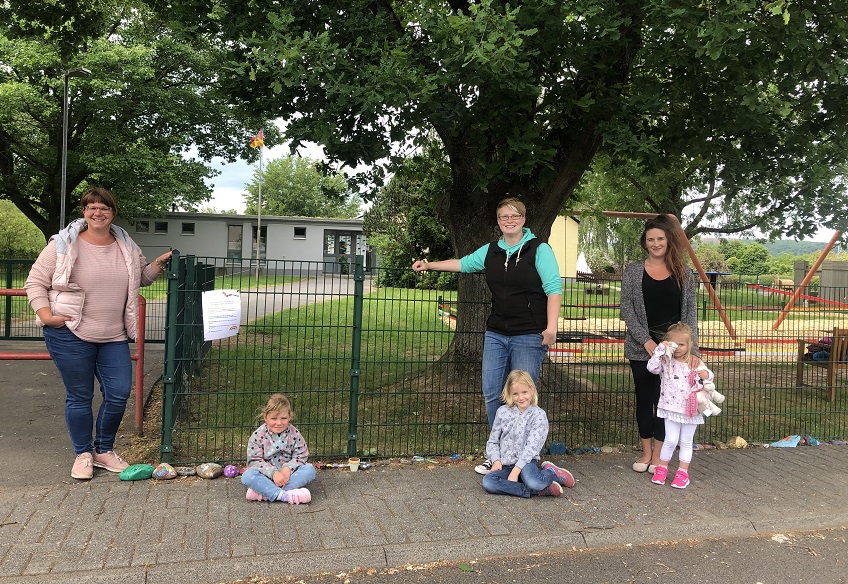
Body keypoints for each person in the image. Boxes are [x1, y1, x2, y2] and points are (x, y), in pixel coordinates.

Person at [25, 187, 172, 480]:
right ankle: (83, 454)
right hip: (68, 332)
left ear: (112, 213)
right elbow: (35, 282)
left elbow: (139, 277)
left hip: (113, 335)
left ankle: (103, 450)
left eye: (103, 208)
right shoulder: (62, 244)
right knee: (79, 396)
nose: (97, 212)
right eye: (91, 207)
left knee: (118, 393)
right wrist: (46, 316)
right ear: (83, 212)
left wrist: (156, 265)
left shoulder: (127, 246)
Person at [412, 198, 562, 474]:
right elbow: (464, 263)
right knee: (493, 394)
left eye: (514, 215)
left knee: (524, 396)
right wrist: (429, 265)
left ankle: (527, 457)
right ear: (498, 221)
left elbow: (553, 288)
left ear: (524, 219)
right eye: (503, 216)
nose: (509, 220)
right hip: (496, 333)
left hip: (529, 334)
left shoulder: (539, 249)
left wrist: (551, 328)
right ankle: (499, 455)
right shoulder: (491, 250)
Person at [620, 214, 698, 475]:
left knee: (667, 402)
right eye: (650, 239)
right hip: (641, 348)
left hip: (675, 353)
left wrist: (691, 353)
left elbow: (690, 314)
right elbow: (627, 310)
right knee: (645, 399)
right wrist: (647, 341)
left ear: (668, 241)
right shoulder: (632, 271)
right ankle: (645, 452)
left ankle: (659, 455)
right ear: (645, 242)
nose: (655, 243)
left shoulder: (683, 273)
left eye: (660, 239)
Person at [481, 370, 575, 498]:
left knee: (533, 482)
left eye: (524, 392)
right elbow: (493, 441)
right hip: (506, 464)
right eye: (515, 394)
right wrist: (496, 460)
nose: (520, 397)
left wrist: (516, 470)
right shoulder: (502, 412)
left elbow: (532, 447)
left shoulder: (538, 415)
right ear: (509, 394)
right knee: (488, 482)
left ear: (532, 390)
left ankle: (552, 473)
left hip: (526, 463)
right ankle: (536, 490)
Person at [646, 323, 713, 489]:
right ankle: (662, 469)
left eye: (682, 344)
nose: (677, 348)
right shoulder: (665, 360)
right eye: (674, 344)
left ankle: (683, 473)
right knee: (670, 440)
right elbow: (651, 368)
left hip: (691, 410)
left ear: (690, 344)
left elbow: (708, 376)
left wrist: (707, 375)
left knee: (686, 441)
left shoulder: (695, 362)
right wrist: (660, 350)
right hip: (671, 408)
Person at [241, 393, 316, 504]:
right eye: (274, 418)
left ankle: (266, 493)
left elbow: (301, 455)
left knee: (310, 470)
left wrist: (288, 468)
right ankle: (284, 495)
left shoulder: (294, 433)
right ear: (265, 417)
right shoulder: (258, 435)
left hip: (288, 477)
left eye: (284, 418)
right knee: (247, 476)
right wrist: (273, 473)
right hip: (265, 476)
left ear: (290, 416)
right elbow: (254, 461)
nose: (279, 423)